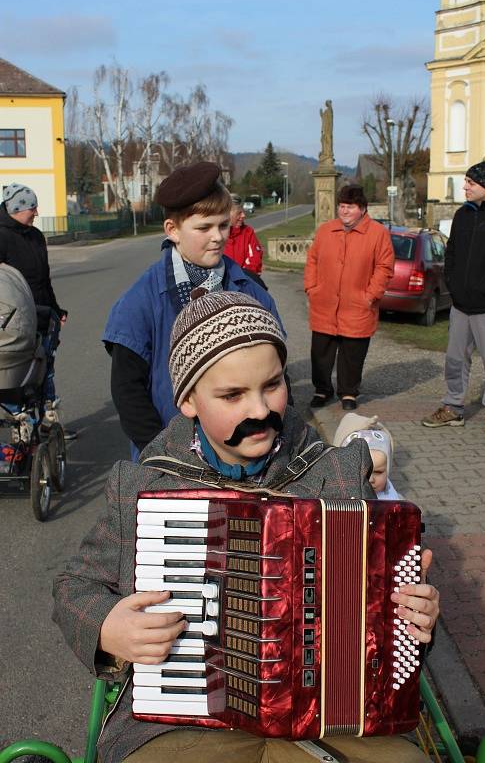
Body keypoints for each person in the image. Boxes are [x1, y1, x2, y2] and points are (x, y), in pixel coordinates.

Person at [53, 291, 439, 763]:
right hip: (185, 726)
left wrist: (414, 618)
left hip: (330, 721)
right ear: (188, 400)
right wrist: (106, 627)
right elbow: (74, 585)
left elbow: (381, 627)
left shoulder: (336, 474)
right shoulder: (145, 484)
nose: (259, 410)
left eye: (272, 385)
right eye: (232, 395)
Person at [103, 162, 283, 460]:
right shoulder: (140, 300)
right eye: (204, 227)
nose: (218, 237)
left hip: (244, 454)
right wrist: (162, 455)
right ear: (172, 229)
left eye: (223, 225)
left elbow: (278, 373)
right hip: (168, 457)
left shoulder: (251, 290)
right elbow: (127, 391)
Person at [422, 161, 485, 437]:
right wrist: (454, 285)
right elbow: (452, 254)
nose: (465, 187)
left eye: (470, 183)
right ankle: (453, 408)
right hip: (461, 305)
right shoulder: (462, 214)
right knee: (455, 360)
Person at [304, 184, 394, 411]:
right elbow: (312, 260)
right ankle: (322, 389)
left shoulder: (378, 233)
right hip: (324, 303)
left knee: (352, 354)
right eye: (342, 206)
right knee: (321, 353)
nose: (344, 211)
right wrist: (311, 288)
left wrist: (370, 296)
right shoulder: (325, 230)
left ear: (362, 209)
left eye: (350, 207)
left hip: (358, 305)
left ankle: (349, 392)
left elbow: (384, 267)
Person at [0, 184, 75, 439]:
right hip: (13, 322)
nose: (36, 212)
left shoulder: (35, 236)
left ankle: (48, 424)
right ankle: (18, 425)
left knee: (46, 369)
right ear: (18, 208)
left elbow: (44, 278)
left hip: (43, 315)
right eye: (32, 208)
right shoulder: (1, 236)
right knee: (15, 374)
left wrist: (55, 308)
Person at [335, 412, 403, 500]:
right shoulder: (329, 501)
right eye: (360, 472)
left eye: (378, 472)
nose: (370, 480)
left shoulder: (397, 503)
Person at [224, 194, 264, 279]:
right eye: (239, 213)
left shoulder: (248, 232)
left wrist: (240, 279)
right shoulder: (217, 234)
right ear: (227, 214)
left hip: (244, 281)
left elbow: (255, 259)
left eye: (243, 212)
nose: (243, 215)